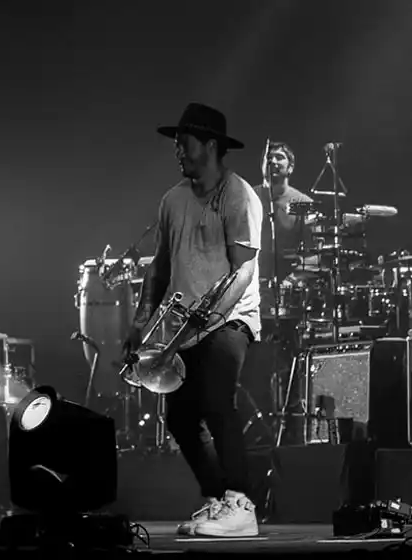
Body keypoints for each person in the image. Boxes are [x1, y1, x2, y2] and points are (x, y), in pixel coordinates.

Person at [124, 103, 262, 537]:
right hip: (185, 327)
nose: (177, 151)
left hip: (230, 319)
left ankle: (242, 503)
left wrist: (216, 318)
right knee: (180, 418)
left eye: (184, 143)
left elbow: (244, 269)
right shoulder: (173, 200)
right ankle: (219, 499)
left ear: (210, 145)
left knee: (217, 403)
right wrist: (141, 322)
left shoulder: (238, 195)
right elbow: (158, 268)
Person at [254, 141, 314, 285]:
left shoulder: (302, 203)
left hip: (288, 287)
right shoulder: (249, 197)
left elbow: (315, 255)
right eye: (269, 157)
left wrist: (292, 280)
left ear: (290, 167)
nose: (272, 161)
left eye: (279, 157)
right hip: (252, 283)